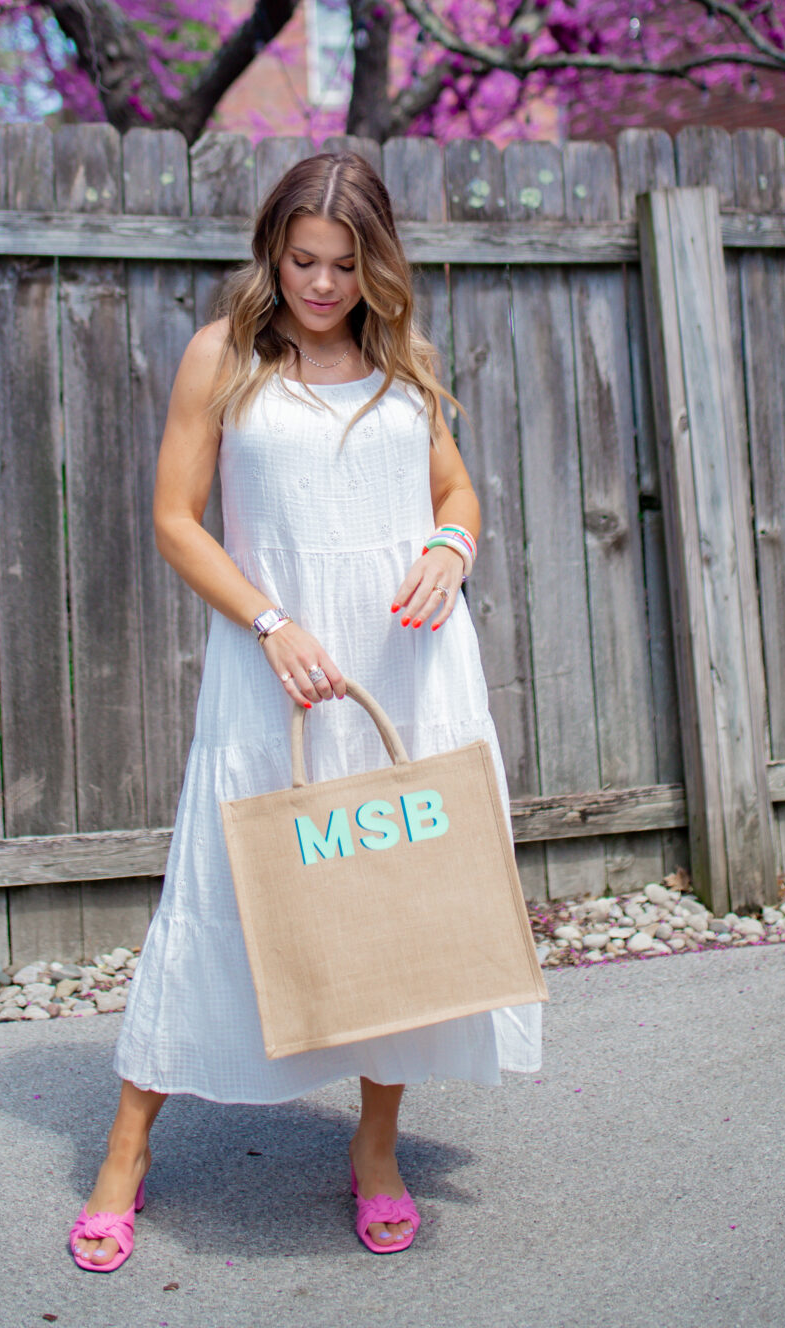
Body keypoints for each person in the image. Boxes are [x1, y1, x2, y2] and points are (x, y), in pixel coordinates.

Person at [69, 152, 541, 1271]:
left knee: (398, 904)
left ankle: (377, 1150)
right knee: (222, 891)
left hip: (407, 664)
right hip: (274, 659)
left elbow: (455, 489)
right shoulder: (224, 356)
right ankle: (126, 1150)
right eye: (302, 260)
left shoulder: (397, 361)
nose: (321, 285)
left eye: (344, 264)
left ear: (377, 263)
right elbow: (177, 520)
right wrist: (272, 621)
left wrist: (449, 545)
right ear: (272, 251)